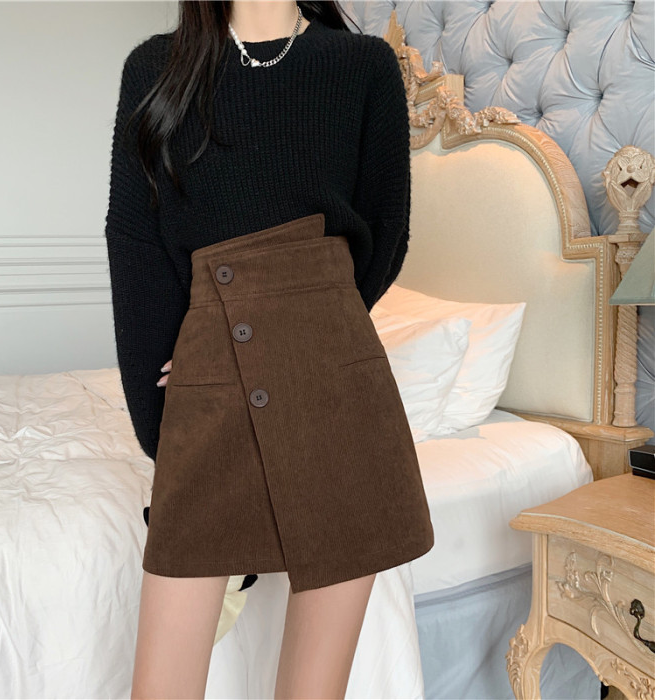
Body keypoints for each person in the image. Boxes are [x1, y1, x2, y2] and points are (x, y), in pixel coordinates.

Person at [104, 1, 435, 697]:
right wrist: (163, 413)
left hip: (337, 386)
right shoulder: (156, 67)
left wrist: (300, 324)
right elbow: (134, 241)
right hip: (208, 372)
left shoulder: (363, 66)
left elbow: (387, 230)